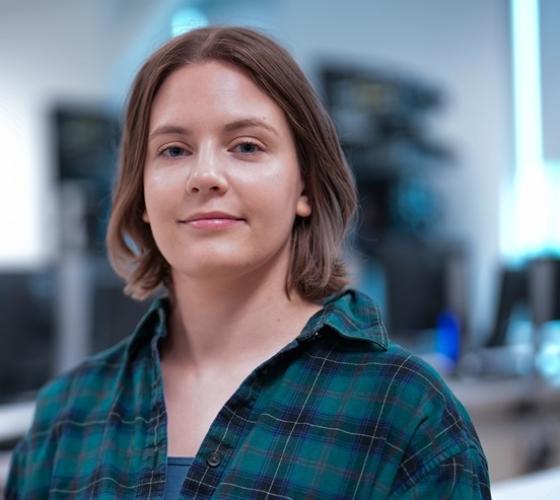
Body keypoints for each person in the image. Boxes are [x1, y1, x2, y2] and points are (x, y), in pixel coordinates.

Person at [6, 26, 490, 499]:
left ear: (305, 187)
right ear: (144, 196)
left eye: (246, 146)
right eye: (173, 150)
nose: (206, 175)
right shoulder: (67, 415)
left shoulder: (406, 413)